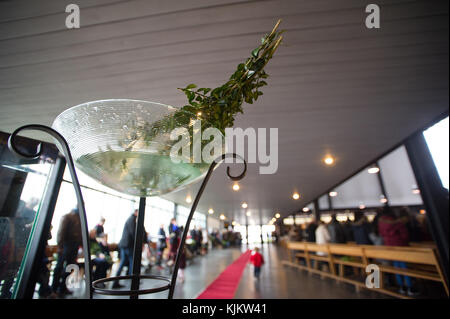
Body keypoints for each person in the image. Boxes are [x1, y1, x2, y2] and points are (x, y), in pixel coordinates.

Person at [378, 207, 418, 296]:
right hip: (400, 245)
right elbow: (405, 235)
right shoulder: (397, 222)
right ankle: (410, 287)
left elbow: (381, 233)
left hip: (390, 246)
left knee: (396, 266)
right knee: (404, 266)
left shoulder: (381, 222)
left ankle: (401, 287)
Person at [113, 209, 148, 288]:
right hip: (128, 246)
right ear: (136, 212)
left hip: (125, 245)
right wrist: (140, 243)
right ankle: (134, 281)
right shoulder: (132, 220)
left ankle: (116, 282)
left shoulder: (131, 219)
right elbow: (134, 233)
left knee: (123, 263)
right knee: (133, 263)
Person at [51, 208, 82, 296]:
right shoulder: (67, 217)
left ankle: (63, 287)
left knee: (70, 267)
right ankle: (54, 288)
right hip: (66, 245)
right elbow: (61, 232)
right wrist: (60, 246)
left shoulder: (78, 218)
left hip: (74, 246)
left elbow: (80, 233)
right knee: (59, 267)